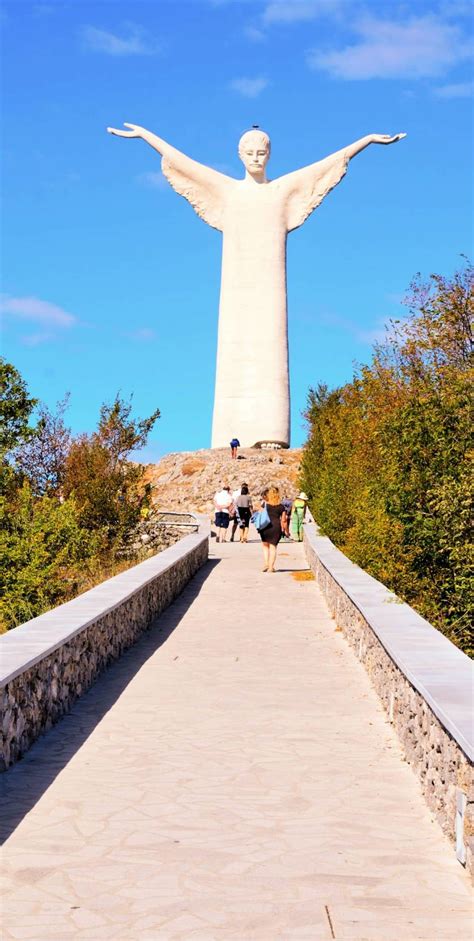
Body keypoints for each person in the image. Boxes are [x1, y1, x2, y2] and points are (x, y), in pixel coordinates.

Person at [258, 486, 287, 573]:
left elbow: (260, 514)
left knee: (265, 546)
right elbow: (284, 520)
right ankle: (271, 567)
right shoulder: (281, 507)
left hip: (265, 527)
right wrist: (285, 531)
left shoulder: (265, 504)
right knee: (273, 547)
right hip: (276, 527)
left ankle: (266, 564)